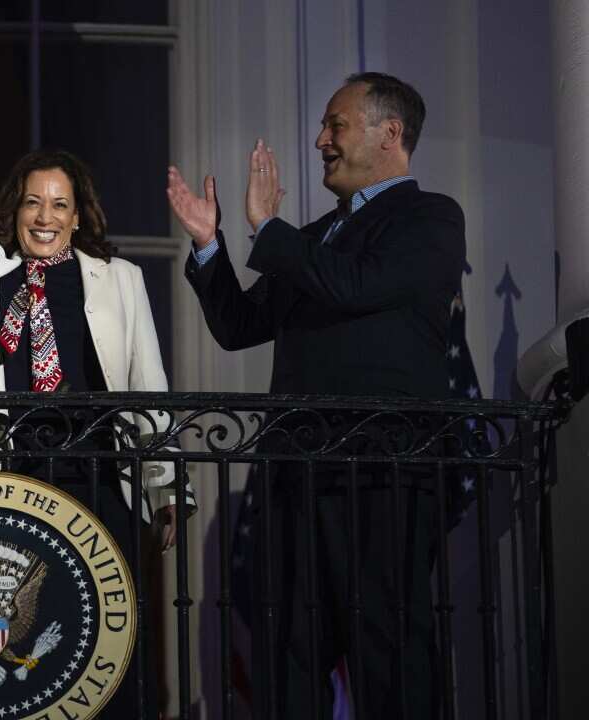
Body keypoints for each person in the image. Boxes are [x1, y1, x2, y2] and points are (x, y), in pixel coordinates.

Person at [0, 25, 194, 718]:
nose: (45, 216)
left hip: (95, 475)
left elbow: (146, 383)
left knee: (104, 640)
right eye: (34, 202)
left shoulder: (117, 279)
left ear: (78, 214)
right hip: (4, 475)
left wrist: (163, 488)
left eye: (59, 204)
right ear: (16, 209)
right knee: (16, 651)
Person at [167, 72, 466, 718]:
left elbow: (359, 286)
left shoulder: (431, 217)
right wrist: (209, 244)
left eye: (335, 125)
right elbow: (240, 326)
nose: (319, 140)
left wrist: (269, 231)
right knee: (290, 655)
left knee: (386, 649)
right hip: (297, 478)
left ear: (390, 133)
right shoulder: (313, 237)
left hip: (383, 473)